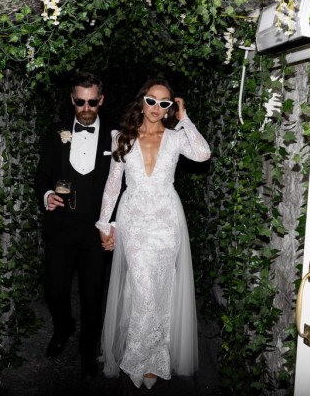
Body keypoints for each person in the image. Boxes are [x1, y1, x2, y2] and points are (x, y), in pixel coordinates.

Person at [95, 78, 211, 389]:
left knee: (160, 289)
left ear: (171, 108)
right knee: (142, 283)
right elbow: (112, 184)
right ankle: (138, 356)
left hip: (167, 221)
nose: (157, 108)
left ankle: (155, 356)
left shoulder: (176, 138)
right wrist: (105, 225)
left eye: (165, 104)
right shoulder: (121, 137)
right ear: (141, 101)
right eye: (151, 101)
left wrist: (184, 119)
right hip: (133, 219)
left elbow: (202, 154)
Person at [34, 72, 116, 378]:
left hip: (95, 228)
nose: (85, 107)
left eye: (92, 101)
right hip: (61, 226)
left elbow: (121, 184)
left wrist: (113, 224)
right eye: (80, 101)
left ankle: (87, 348)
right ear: (72, 100)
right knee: (55, 291)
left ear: (101, 100)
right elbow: (42, 175)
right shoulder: (55, 133)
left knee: (93, 295)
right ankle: (64, 326)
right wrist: (46, 195)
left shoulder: (114, 136)